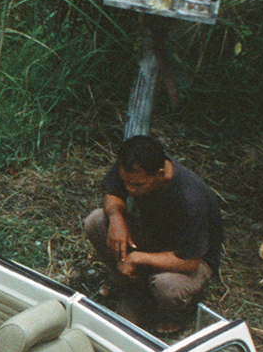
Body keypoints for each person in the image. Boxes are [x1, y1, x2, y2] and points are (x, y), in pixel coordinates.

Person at [82, 135, 223, 334]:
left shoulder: (191, 198)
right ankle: (129, 286)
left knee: (167, 286)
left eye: (138, 185)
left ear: (159, 174)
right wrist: (116, 218)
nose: (130, 190)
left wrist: (139, 258)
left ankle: (171, 313)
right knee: (96, 221)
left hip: (192, 258)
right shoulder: (133, 167)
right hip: (155, 236)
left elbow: (189, 261)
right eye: (126, 182)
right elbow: (113, 193)